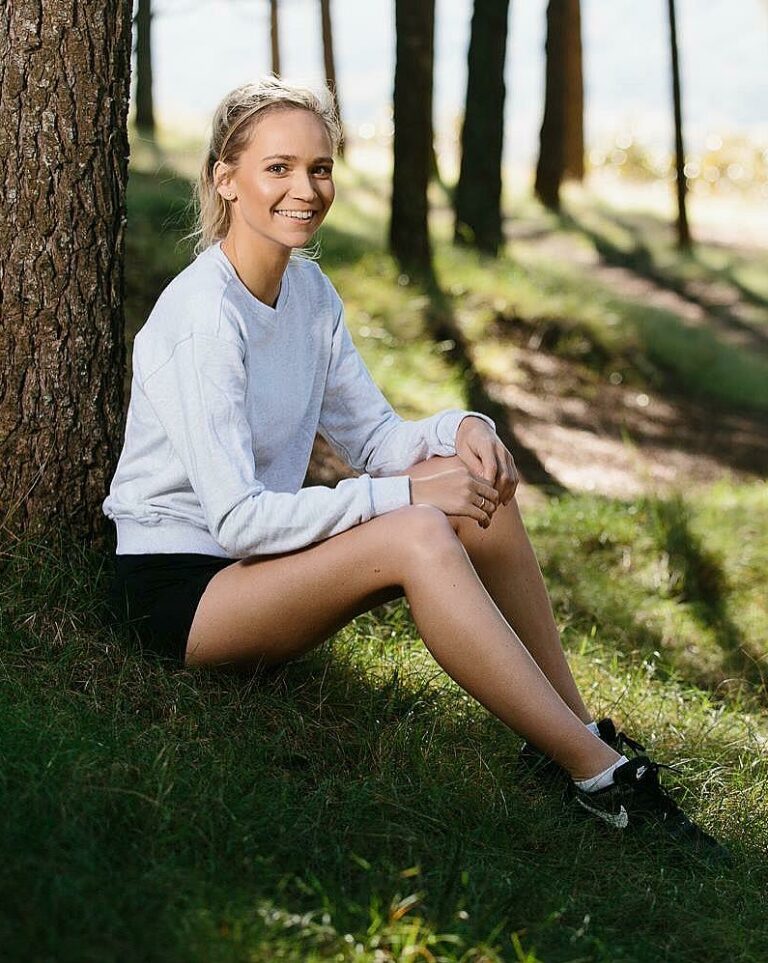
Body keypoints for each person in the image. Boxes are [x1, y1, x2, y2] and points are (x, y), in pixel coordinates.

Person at [103, 76, 729, 861]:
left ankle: (572, 735)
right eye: (279, 168)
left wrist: (461, 428)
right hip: (184, 590)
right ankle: (603, 781)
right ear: (225, 179)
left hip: (253, 566)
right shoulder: (202, 316)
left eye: (320, 168)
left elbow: (373, 438)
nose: (306, 189)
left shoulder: (307, 292)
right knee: (417, 534)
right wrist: (399, 495)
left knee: (477, 500)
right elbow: (238, 518)